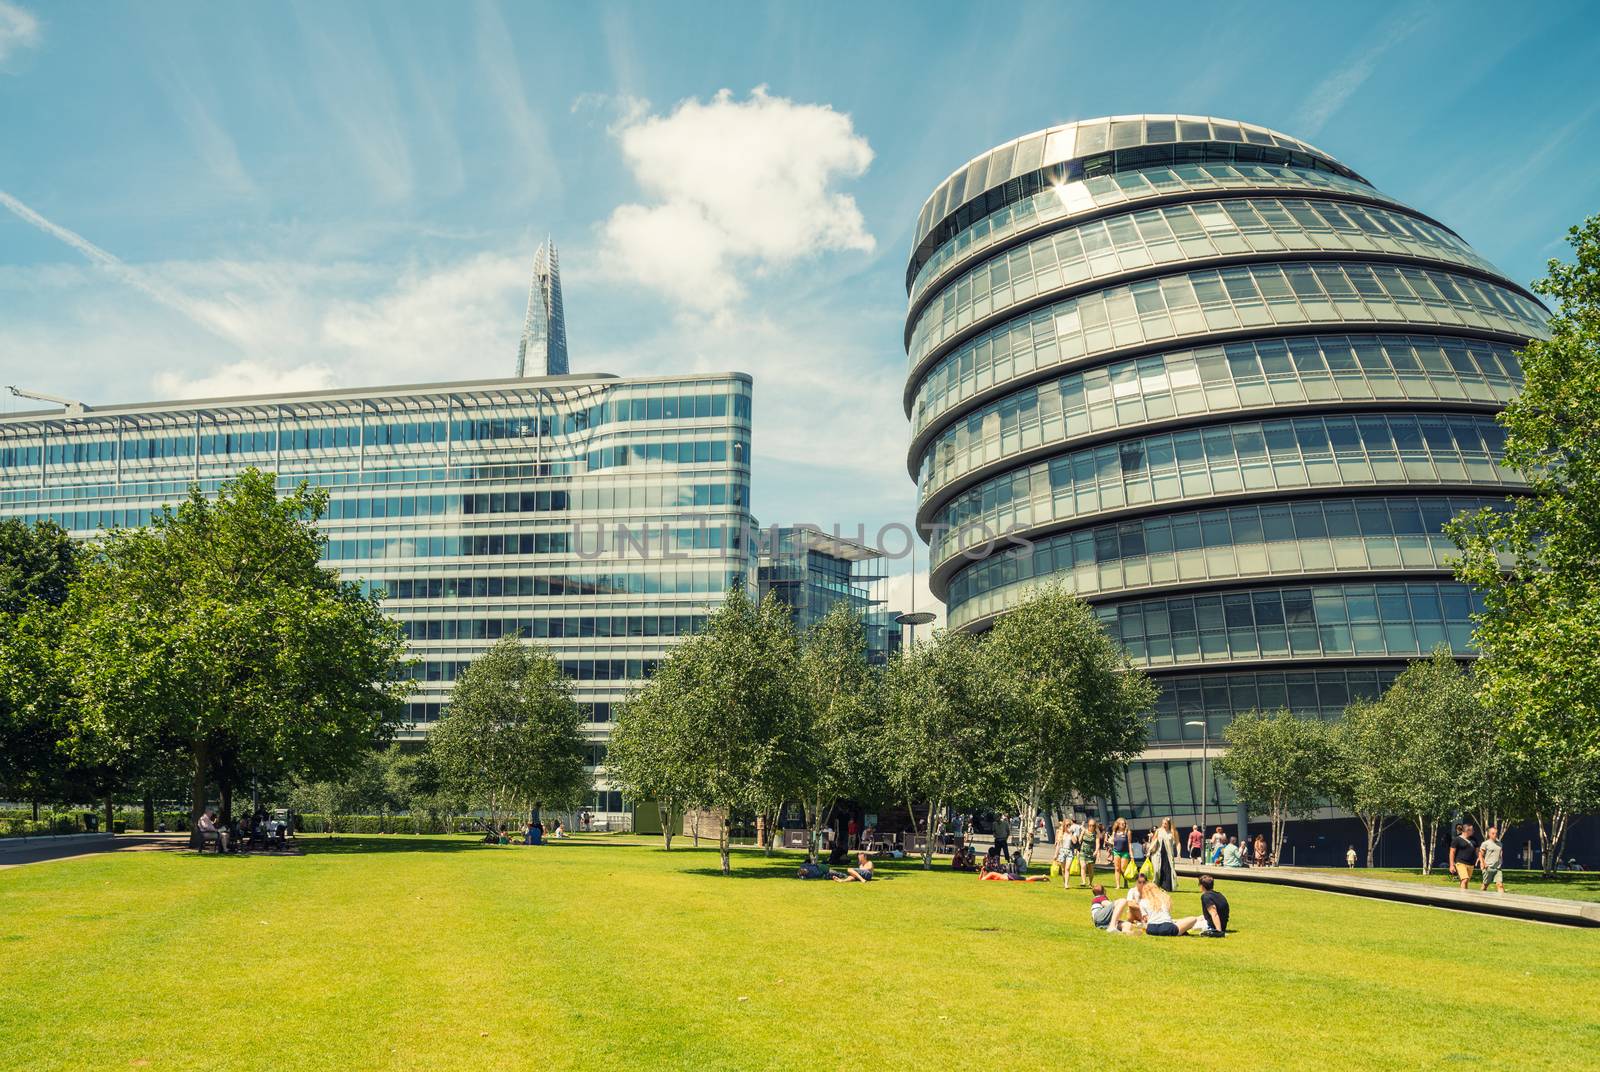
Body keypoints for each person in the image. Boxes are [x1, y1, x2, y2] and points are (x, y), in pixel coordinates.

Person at [1132, 874, 1202, 936]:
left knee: (1177, 922)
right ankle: (1182, 931)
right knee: (1193, 919)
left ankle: (1181, 930)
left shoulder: (1142, 902)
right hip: (1167, 928)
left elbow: (1145, 919)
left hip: (1151, 929)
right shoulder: (1164, 898)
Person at [1151, 817, 1180, 891]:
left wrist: (1178, 853)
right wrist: (1150, 850)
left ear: (1169, 824)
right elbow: (1153, 841)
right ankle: (1157, 884)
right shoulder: (1158, 831)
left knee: (1168, 870)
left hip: (1169, 854)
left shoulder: (1173, 832)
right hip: (1158, 853)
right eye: (1163, 823)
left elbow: (1178, 843)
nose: (1164, 825)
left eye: (1165, 823)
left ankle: (1167, 886)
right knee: (1157, 869)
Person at [1449, 822, 1477, 890]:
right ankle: (1463, 897)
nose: (1473, 831)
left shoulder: (1474, 840)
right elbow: (1452, 852)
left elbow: (1478, 851)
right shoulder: (1457, 840)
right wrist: (1452, 865)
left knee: (1465, 882)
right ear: (1467, 830)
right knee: (1465, 879)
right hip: (1460, 863)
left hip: (1471, 864)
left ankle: (1463, 897)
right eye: (1472, 830)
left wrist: (1481, 859)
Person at [1075, 818, 1100, 890]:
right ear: (1088, 825)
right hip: (1083, 851)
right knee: (1083, 866)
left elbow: (1097, 843)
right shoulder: (1084, 831)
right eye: (1090, 825)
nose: (1091, 827)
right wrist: (1079, 839)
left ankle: (1090, 882)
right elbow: (1079, 840)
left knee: (1090, 870)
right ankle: (1083, 881)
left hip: (1091, 853)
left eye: (1093, 825)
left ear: (1095, 826)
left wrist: (1096, 851)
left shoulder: (1095, 834)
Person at [1478, 826, 1505, 893]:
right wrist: (1482, 863)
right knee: (1485, 885)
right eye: (1493, 833)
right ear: (1489, 834)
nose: (1495, 835)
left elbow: (1500, 853)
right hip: (1488, 867)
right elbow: (1480, 854)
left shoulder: (1500, 844)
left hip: (1497, 868)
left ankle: (1501, 902)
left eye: (1496, 833)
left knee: (1500, 885)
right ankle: (1480, 898)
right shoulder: (1485, 843)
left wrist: (1501, 861)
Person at [1109, 817, 1133, 889]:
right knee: (1117, 868)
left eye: (1124, 824)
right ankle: (1118, 885)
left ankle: (1125, 882)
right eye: (1122, 824)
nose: (1123, 825)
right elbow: (1112, 840)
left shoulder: (1128, 832)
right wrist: (1109, 841)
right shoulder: (1115, 832)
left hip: (1125, 852)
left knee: (1123, 869)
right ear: (1118, 824)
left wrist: (1131, 854)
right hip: (1116, 852)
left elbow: (1129, 843)